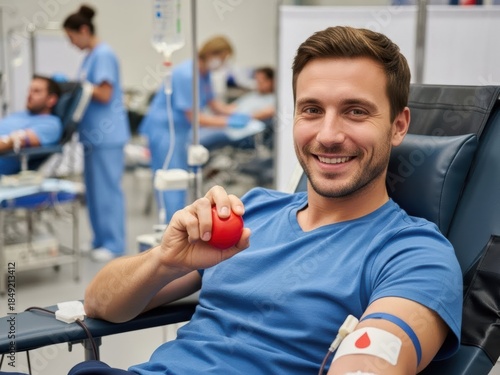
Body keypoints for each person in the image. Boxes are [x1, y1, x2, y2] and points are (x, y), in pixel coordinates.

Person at [0, 26, 463, 375]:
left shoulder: (414, 254)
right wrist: (165, 259)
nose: (328, 135)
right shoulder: (250, 212)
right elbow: (100, 303)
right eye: (311, 110)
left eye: (356, 111)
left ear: (399, 126)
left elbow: (370, 363)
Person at [138, 35, 253, 224]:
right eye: (222, 59)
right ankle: (172, 227)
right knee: (172, 180)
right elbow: (194, 117)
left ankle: (178, 222)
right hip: (166, 130)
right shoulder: (187, 74)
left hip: (180, 131)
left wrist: (236, 112)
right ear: (212, 54)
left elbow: (213, 104)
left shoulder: (204, 73)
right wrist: (228, 123)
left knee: (181, 178)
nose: (222, 64)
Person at [63, 5, 131, 262]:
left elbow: (104, 94)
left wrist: (78, 87)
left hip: (108, 136)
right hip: (93, 136)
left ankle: (114, 244)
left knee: (107, 190)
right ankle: (99, 239)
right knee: (93, 191)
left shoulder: (103, 54)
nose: (71, 44)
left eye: (71, 38)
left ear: (83, 30)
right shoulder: (90, 55)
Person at [198, 65, 276, 149]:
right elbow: (230, 109)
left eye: (261, 81)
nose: (258, 84)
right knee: (197, 133)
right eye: (256, 80)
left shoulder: (275, 99)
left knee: (201, 140)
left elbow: (267, 112)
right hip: (229, 126)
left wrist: (244, 117)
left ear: (271, 81)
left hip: (243, 132)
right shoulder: (252, 95)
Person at [0, 75, 62, 175]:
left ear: (51, 100)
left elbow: (17, 140)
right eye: (30, 90)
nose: (29, 95)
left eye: (36, 91)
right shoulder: (20, 114)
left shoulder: (50, 124)